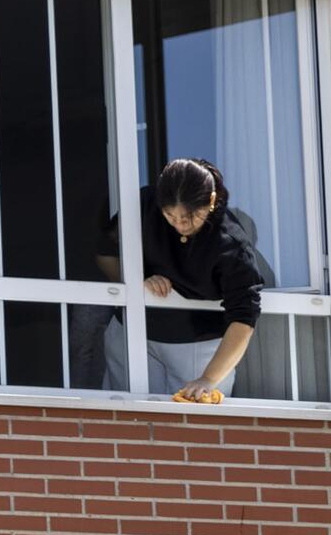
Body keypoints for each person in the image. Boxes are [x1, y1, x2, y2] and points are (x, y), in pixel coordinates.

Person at [97, 157, 266, 400]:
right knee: (123, 417)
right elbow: (105, 254)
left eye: (189, 217)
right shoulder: (146, 204)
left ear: (210, 201)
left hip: (198, 345)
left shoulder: (231, 243)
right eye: (170, 216)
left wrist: (208, 379)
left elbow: (244, 318)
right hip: (133, 330)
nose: (179, 224)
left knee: (196, 427)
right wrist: (137, 282)